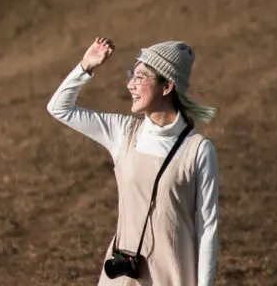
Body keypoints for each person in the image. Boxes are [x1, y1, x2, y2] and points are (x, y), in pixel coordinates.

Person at [46, 37, 220, 286]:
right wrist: (86, 66)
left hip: (173, 276)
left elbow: (207, 229)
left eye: (140, 77)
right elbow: (59, 108)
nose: (130, 85)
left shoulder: (199, 151)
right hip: (122, 275)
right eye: (132, 75)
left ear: (167, 86)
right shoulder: (122, 131)